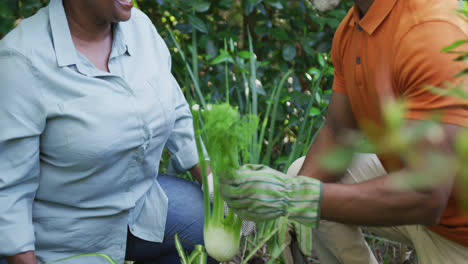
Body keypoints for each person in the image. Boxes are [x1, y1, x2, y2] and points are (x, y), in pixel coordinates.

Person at [220, 0, 468, 263]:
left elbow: (427, 193)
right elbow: (338, 132)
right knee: (302, 175)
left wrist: (294, 196)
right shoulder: (353, 29)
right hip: (422, 197)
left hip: (457, 229)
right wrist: (280, 206)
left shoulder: (430, 31)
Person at [0, 0, 213, 263]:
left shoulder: (140, 28)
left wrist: (218, 187)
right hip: (67, 243)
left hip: (139, 207)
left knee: (221, 232)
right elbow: (8, 191)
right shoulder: (21, 60)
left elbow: (175, 110)